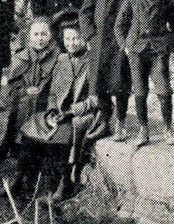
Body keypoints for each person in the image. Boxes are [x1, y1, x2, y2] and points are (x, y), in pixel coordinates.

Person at [17, 14, 110, 201]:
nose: (71, 43)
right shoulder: (62, 60)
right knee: (32, 127)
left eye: (76, 38)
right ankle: (22, 179)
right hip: (60, 111)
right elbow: (53, 92)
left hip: (86, 113)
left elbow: (96, 99)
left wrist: (69, 112)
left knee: (63, 136)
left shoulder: (94, 61)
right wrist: (52, 110)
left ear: (85, 38)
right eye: (67, 39)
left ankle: (62, 185)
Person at [113, 0, 174, 148]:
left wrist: (170, 45)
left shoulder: (165, 1)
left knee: (164, 90)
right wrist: (125, 46)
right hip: (136, 51)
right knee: (140, 91)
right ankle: (144, 130)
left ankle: (168, 129)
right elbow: (119, 26)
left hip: (158, 51)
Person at [77, 0, 137, 138]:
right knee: (99, 83)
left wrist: (131, 41)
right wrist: (90, 36)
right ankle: (104, 117)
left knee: (121, 85)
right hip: (100, 43)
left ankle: (120, 121)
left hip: (122, 44)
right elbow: (85, 12)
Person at [0, 15, 58, 163]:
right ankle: (10, 145)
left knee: (39, 113)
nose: (40, 38)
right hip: (23, 98)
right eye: (36, 34)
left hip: (45, 100)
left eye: (44, 34)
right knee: (19, 108)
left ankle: (31, 150)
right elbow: (12, 85)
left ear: (50, 36)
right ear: (30, 36)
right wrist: (24, 90)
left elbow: (58, 85)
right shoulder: (21, 56)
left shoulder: (57, 56)